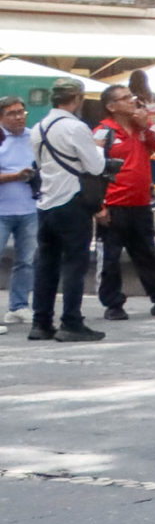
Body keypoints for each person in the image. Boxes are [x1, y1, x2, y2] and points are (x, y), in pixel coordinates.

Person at [29, 78, 107, 342]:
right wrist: (99, 150)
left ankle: (40, 322)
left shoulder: (37, 128)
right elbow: (95, 167)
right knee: (75, 263)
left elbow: (40, 164)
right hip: (72, 199)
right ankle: (71, 322)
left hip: (45, 202)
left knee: (46, 264)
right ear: (77, 99)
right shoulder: (76, 127)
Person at [91, 83, 155, 320]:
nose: (132, 101)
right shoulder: (103, 132)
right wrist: (99, 205)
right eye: (125, 98)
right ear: (111, 106)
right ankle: (113, 303)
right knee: (109, 257)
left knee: (147, 253)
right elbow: (92, 168)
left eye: (131, 96)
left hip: (140, 204)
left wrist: (146, 126)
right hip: (114, 204)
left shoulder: (142, 129)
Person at [0, 98, 37, 323]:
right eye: (12, 113)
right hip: (2, 210)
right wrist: (15, 176)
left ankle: (19, 306)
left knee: (27, 260)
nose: (19, 117)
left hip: (29, 209)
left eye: (22, 112)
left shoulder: (33, 137)